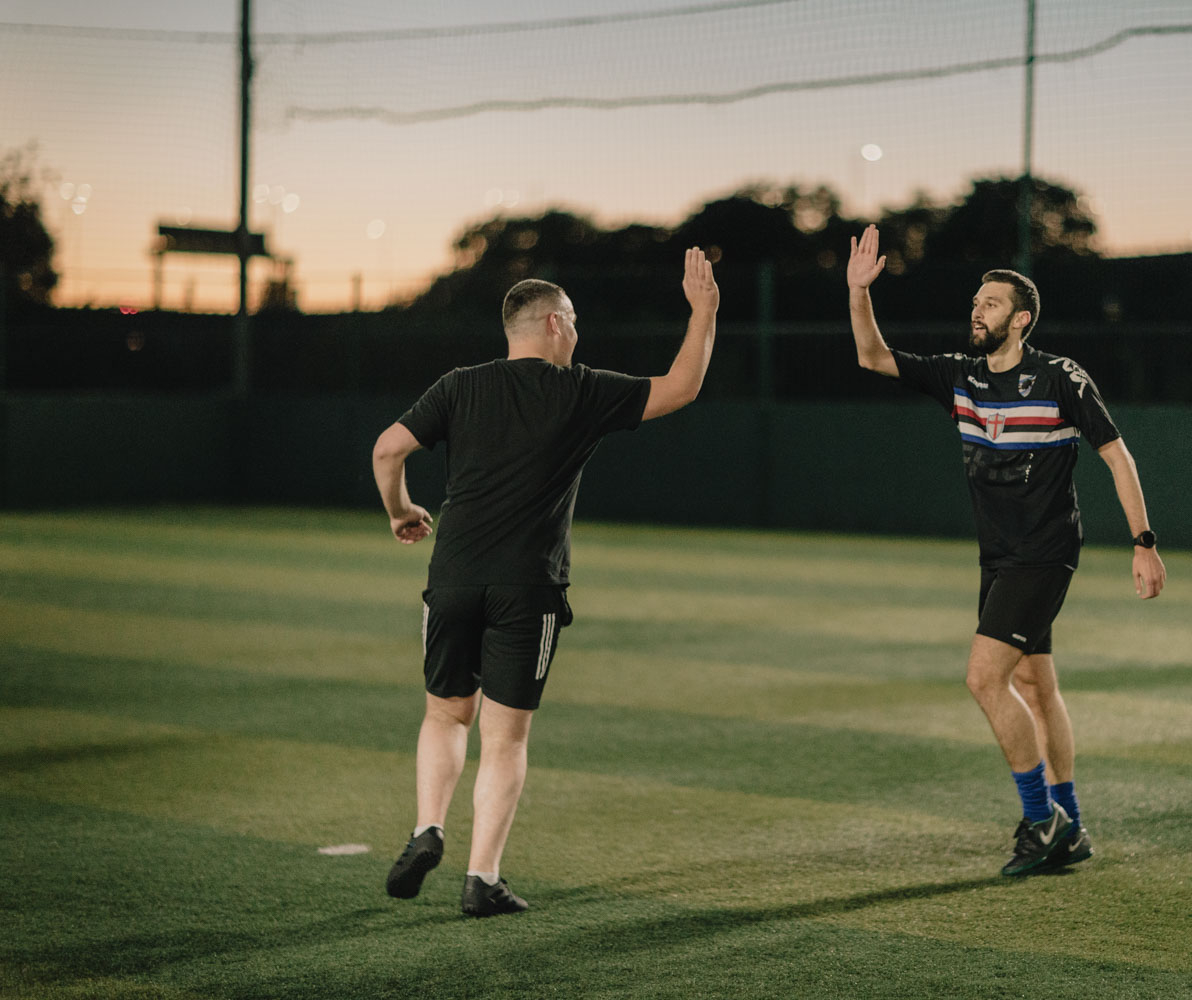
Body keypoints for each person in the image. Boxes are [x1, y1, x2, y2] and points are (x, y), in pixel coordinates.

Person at [372, 248, 720, 916]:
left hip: (450, 578)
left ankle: (426, 828)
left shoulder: (459, 385)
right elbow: (681, 386)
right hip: (527, 589)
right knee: (505, 739)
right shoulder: (580, 389)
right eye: (576, 323)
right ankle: (482, 879)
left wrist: (400, 512)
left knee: (445, 711)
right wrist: (703, 311)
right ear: (557, 325)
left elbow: (388, 448)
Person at [846, 224, 1166, 877]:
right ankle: (1070, 826)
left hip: (1043, 550)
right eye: (975, 302)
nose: (976, 311)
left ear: (1019, 320)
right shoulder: (959, 377)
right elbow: (873, 357)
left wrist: (1143, 542)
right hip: (998, 555)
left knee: (983, 677)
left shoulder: (1058, 377)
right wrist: (858, 293)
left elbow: (1116, 454)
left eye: (990, 304)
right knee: (1034, 684)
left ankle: (1041, 818)